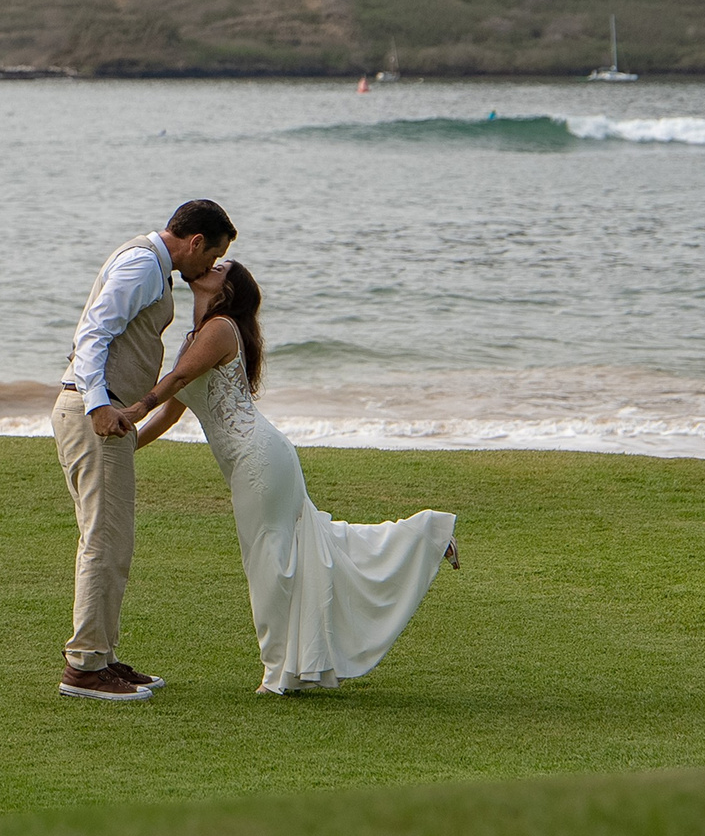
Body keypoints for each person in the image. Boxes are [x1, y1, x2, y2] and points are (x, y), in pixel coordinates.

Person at [123, 260, 457, 694]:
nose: (209, 265)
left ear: (227, 290)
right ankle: (423, 536)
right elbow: (174, 410)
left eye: (220, 266)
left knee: (270, 563)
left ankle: (278, 673)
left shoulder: (221, 327)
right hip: (260, 459)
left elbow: (178, 379)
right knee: (308, 547)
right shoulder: (196, 337)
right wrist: (127, 445)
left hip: (259, 459)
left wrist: (133, 408)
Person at [51, 199, 237, 702]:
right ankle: (85, 666)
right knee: (105, 540)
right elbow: (93, 332)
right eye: (212, 255)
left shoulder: (153, 266)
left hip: (106, 413)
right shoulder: (141, 264)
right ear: (196, 242)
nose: (209, 268)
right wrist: (97, 406)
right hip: (97, 413)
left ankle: (103, 655)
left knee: (113, 538)